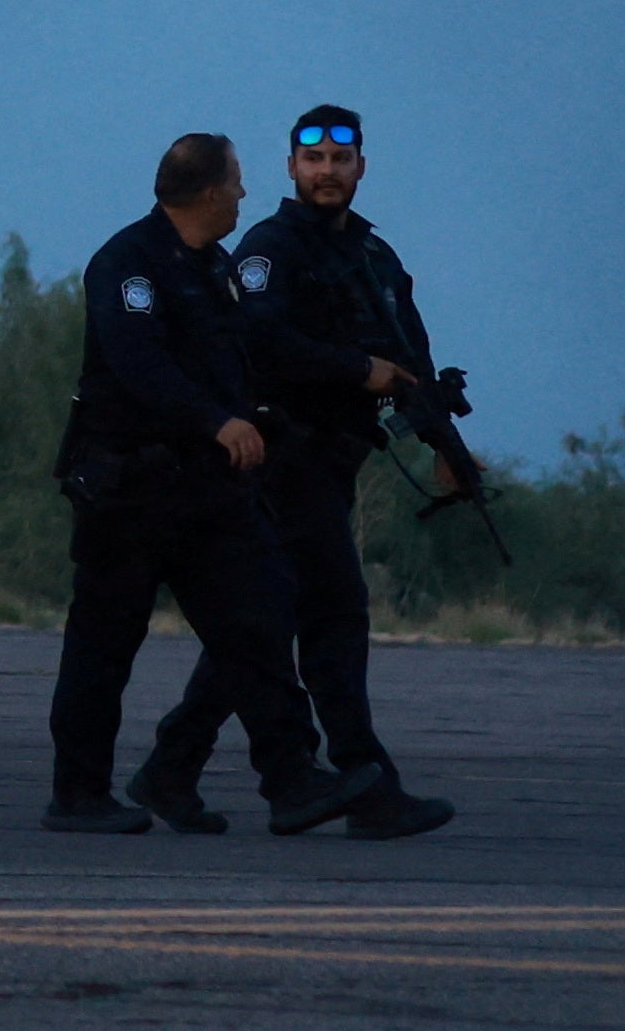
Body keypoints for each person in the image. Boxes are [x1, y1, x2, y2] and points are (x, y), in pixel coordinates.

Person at [131, 102, 468, 837]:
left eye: (340, 161)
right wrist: (356, 370)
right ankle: (365, 785)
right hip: (282, 461)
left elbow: (411, 364)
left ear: (359, 168)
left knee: (265, 623)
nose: (326, 173)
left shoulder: (375, 259)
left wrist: (446, 446)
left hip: (333, 462)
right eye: (312, 161)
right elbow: (260, 340)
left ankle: (171, 766)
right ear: (292, 167)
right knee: (333, 618)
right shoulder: (269, 249)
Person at [43, 130, 393, 837]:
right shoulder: (127, 264)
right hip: (130, 492)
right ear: (208, 192)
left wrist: (276, 428)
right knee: (103, 646)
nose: (241, 194)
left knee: (259, 627)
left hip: (208, 495)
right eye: (234, 182)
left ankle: (291, 779)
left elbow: (238, 367)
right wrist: (214, 422)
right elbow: (140, 367)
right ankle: (78, 794)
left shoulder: (216, 269)